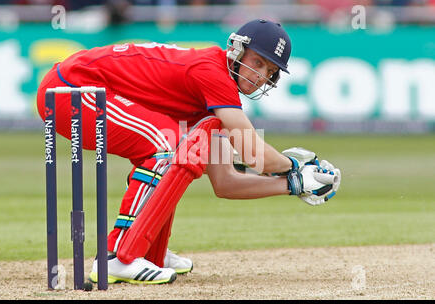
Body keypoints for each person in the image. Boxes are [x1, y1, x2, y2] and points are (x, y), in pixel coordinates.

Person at [37, 19, 340, 285]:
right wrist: (292, 164)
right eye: (258, 62)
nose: (260, 75)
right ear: (236, 50)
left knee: (176, 145)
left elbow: (226, 181)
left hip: (83, 88)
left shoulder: (217, 100)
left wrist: (293, 184)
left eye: (270, 70)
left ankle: (146, 249)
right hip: (71, 87)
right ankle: (119, 256)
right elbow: (253, 154)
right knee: (166, 144)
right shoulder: (212, 72)